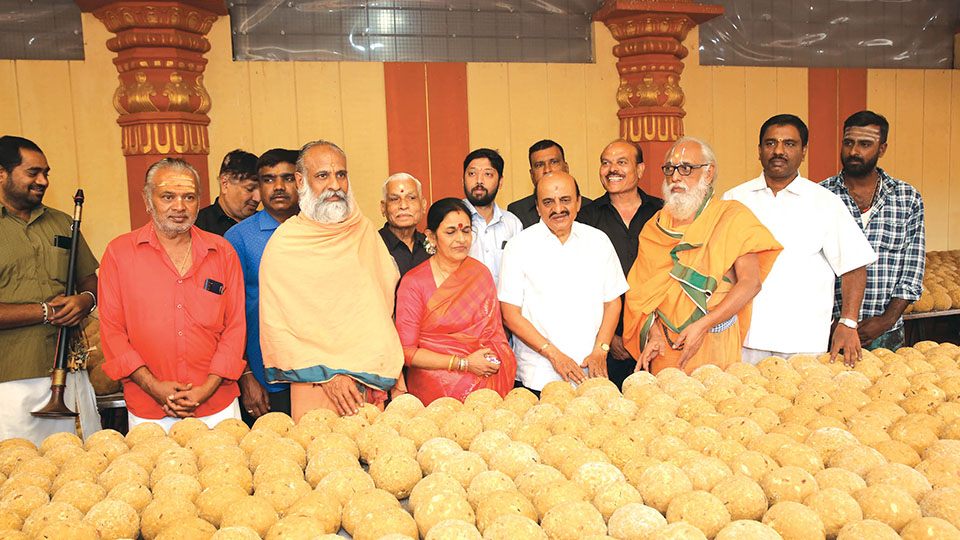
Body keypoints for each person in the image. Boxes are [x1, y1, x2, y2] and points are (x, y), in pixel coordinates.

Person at [259, 141, 404, 419]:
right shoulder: (285, 244)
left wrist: (396, 378)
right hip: (315, 383)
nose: (335, 185)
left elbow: (382, 312)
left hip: (371, 378)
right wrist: (330, 376)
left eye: (341, 175)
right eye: (323, 175)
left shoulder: (363, 232)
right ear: (300, 181)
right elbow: (279, 326)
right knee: (321, 445)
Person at [99, 158, 246, 430]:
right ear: (147, 199)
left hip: (217, 405)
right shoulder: (119, 254)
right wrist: (152, 386)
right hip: (148, 407)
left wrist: (207, 388)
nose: (179, 207)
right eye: (168, 196)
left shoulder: (222, 252)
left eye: (189, 197)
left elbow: (235, 327)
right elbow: (112, 332)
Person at [723, 114, 876, 367]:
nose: (778, 151)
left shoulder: (824, 202)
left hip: (804, 341)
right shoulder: (734, 199)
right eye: (770, 143)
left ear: (803, 151)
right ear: (759, 150)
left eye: (789, 144)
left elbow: (854, 266)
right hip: (743, 338)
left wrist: (848, 323)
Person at [623, 137, 783, 375]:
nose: (675, 177)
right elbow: (641, 294)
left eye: (686, 168)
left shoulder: (732, 217)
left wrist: (703, 326)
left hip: (715, 338)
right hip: (665, 347)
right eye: (670, 169)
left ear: (709, 173)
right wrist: (654, 333)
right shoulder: (654, 227)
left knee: (716, 396)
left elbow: (751, 283)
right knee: (665, 397)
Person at [0, 135, 101, 444]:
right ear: (2, 174)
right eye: (33, 173)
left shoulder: (62, 222)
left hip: (71, 371)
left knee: (85, 460)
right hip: (12, 379)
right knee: (22, 465)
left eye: (46, 173)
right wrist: (46, 312)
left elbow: (90, 281)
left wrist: (86, 300)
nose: (43, 181)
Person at [499, 172, 626, 393]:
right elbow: (510, 314)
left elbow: (613, 302)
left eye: (565, 200)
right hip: (539, 374)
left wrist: (601, 349)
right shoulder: (518, 246)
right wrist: (553, 354)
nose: (558, 209)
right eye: (548, 202)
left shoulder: (598, 241)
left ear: (578, 202)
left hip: (592, 370)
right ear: (538, 207)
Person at [395, 198, 517, 404]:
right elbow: (407, 352)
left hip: (483, 379)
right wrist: (464, 363)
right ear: (431, 237)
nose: (461, 239)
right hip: (433, 390)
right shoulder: (413, 283)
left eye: (466, 231)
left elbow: (494, 336)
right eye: (451, 232)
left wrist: (490, 360)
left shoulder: (480, 274)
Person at [821, 111, 924, 351]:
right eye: (848, 143)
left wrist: (886, 320)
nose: (854, 151)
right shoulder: (821, 196)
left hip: (886, 333)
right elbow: (809, 267)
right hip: (830, 330)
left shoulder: (907, 198)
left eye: (865, 144)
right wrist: (836, 323)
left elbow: (912, 270)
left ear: (882, 148)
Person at [578, 139, 663, 386]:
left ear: (640, 169)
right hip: (604, 345)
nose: (612, 169)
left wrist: (652, 333)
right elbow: (582, 284)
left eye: (622, 162)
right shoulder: (585, 218)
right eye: (606, 163)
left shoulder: (662, 213)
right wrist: (608, 338)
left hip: (658, 338)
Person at [224, 148, 300, 423]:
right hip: (265, 380)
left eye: (287, 178)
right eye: (268, 179)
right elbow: (227, 315)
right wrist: (245, 376)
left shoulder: (320, 230)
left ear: (301, 181)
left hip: (319, 374)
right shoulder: (238, 238)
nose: (278, 187)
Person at [461, 148, 523, 284]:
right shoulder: (450, 220)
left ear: (500, 182)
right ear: (463, 180)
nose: (479, 181)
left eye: (488, 174)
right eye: (472, 173)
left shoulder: (513, 224)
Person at [507, 139, 591, 229]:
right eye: (539, 165)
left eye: (554, 162)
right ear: (532, 174)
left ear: (566, 168)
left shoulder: (589, 207)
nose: (547, 170)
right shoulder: (518, 211)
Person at [195, 149, 260, 236]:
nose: (258, 198)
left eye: (261, 190)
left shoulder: (266, 223)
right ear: (225, 184)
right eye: (250, 189)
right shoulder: (198, 227)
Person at [378, 172, 431, 278]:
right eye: (394, 199)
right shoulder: (373, 245)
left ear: (423, 205)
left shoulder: (432, 244)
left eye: (411, 198)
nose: (403, 205)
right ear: (383, 208)